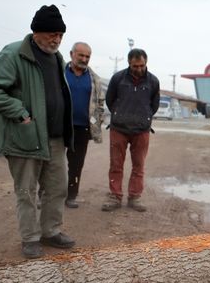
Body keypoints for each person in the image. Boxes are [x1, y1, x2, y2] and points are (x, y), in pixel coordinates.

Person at [0, 5, 75, 259]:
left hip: (54, 138)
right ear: (36, 32)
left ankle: (50, 231)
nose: (57, 39)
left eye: (61, 35)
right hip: (25, 137)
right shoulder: (13, 54)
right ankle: (30, 238)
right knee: (27, 191)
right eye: (52, 34)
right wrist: (19, 111)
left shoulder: (57, 57)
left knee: (57, 188)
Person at [102, 48, 160, 212]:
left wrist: (144, 117)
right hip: (118, 129)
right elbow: (110, 100)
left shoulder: (153, 81)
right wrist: (119, 114)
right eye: (135, 66)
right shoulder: (118, 78)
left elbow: (154, 105)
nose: (139, 69)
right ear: (129, 63)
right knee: (116, 165)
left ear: (146, 63)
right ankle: (115, 196)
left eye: (142, 65)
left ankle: (134, 197)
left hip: (141, 131)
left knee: (139, 166)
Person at [64, 42, 105, 208]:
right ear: (71, 54)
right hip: (59, 126)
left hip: (82, 128)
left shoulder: (94, 78)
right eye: (80, 55)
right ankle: (43, 195)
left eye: (87, 56)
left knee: (76, 164)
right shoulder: (59, 73)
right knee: (51, 164)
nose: (84, 59)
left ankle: (71, 196)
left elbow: (100, 104)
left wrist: (97, 121)